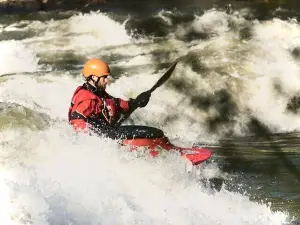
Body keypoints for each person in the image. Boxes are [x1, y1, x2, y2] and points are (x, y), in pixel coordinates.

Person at [68, 58, 151, 139]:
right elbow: (76, 121)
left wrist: (135, 102)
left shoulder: (98, 93)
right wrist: (96, 139)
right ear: (94, 77)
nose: (107, 80)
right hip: (101, 140)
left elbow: (115, 103)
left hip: (108, 134)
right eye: (104, 77)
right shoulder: (88, 99)